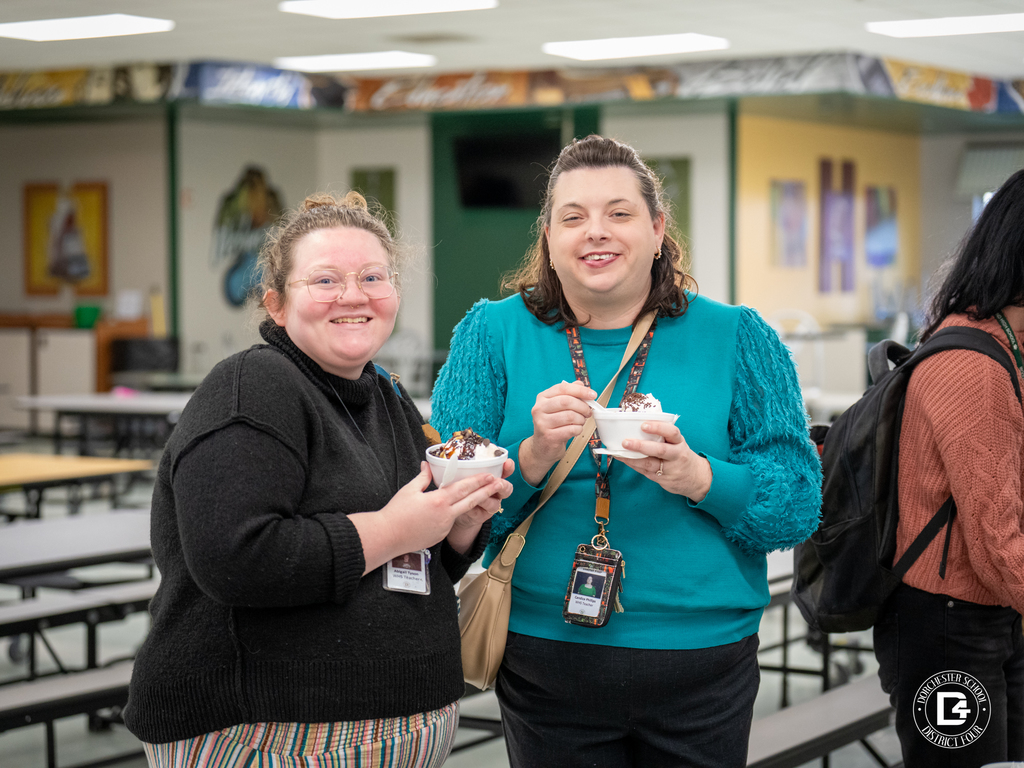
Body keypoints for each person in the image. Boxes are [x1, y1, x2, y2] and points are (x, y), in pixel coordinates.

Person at [432, 135, 821, 767]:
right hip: (544, 656)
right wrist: (529, 456)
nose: (596, 233)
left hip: (703, 663)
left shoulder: (739, 336)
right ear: (549, 238)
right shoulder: (490, 334)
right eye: (573, 217)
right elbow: (447, 515)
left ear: (658, 227)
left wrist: (698, 476)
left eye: (619, 213)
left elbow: (798, 507)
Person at [124, 191, 513, 767]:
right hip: (267, 733)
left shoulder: (385, 394)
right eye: (325, 280)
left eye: (372, 277)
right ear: (276, 304)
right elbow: (235, 557)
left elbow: (412, 565)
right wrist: (390, 528)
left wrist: (459, 526)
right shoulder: (253, 388)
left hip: (389, 727)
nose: (353, 295)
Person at [873, 169, 1024, 767]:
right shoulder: (973, 364)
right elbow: (996, 534)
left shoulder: (1002, 347)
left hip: (990, 614)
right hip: (946, 628)